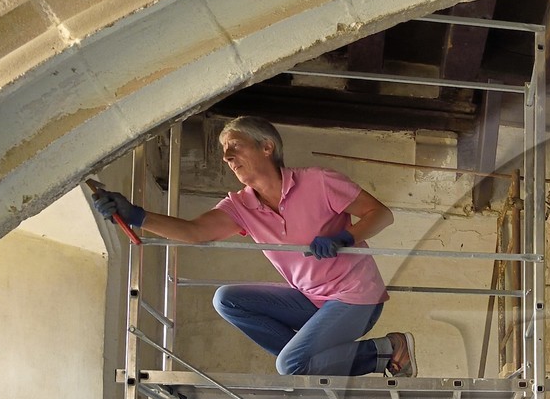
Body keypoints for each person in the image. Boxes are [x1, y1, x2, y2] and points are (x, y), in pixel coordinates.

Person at [90, 116, 417, 378]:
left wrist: (345, 237)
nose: (227, 157)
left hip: (357, 297)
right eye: (224, 152)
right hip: (312, 300)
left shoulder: (319, 181)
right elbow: (194, 231)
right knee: (227, 300)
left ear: (267, 147)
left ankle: (387, 350)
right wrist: (136, 215)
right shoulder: (240, 206)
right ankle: (315, 358)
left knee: (290, 365)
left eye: (235, 146)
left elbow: (380, 214)